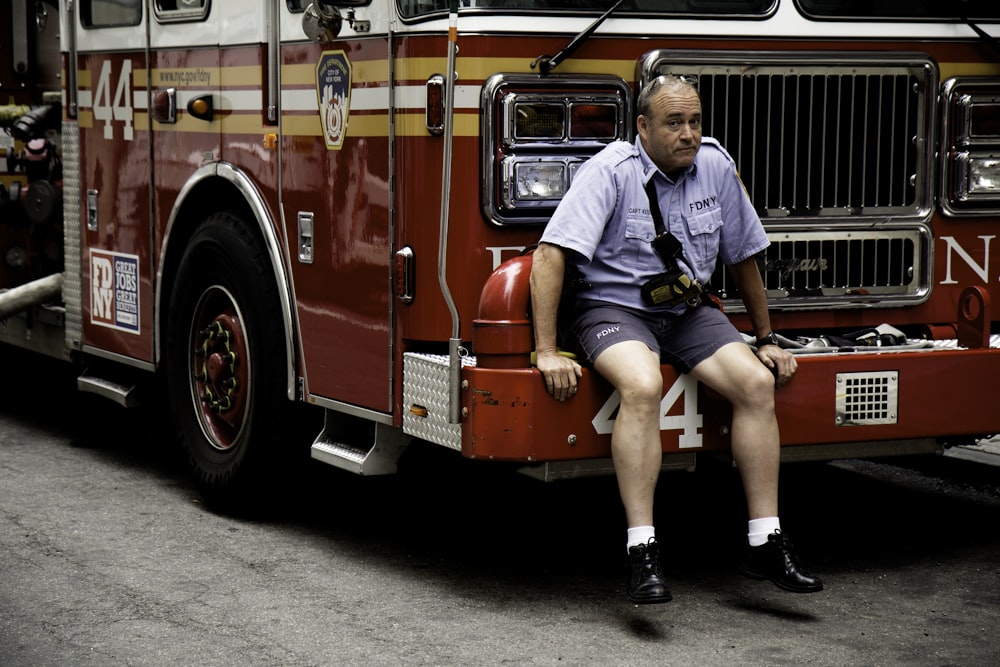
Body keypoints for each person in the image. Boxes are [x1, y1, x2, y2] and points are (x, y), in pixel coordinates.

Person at [529, 74, 823, 604]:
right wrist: (547, 351)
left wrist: (767, 336)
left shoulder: (715, 164)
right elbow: (549, 256)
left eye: (695, 121)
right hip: (612, 309)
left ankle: (764, 538)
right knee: (641, 386)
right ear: (643, 127)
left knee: (756, 384)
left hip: (687, 310)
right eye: (673, 123)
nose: (688, 134)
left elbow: (744, 254)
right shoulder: (610, 172)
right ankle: (642, 549)